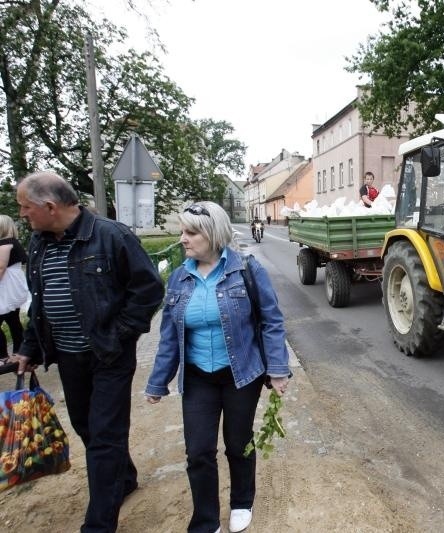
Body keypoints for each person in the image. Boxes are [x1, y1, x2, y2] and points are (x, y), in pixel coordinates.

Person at [9, 171, 164, 532]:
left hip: (109, 356)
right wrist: (30, 347)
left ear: (50, 206)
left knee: (105, 438)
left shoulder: (111, 236)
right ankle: (123, 479)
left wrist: (121, 335)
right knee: (87, 428)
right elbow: (40, 303)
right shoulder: (38, 243)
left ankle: (98, 524)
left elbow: (148, 290)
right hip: (68, 357)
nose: (23, 214)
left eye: (25, 207)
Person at [145, 201, 291, 533]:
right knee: (198, 451)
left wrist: (278, 369)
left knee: (238, 443)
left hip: (242, 374)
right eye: (182, 231)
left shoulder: (248, 270)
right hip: (198, 378)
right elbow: (168, 335)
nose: (183, 238)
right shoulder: (180, 279)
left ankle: (241, 501)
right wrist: (157, 382)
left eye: (191, 232)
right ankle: (206, 520)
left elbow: (271, 321)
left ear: (212, 234)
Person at [0, 214, 28, 361]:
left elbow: (1, 267)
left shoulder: (5, 244)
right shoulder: (14, 243)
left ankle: (3, 355)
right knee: (13, 320)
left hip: (6, 288)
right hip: (13, 287)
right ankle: (18, 351)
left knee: (11, 320)